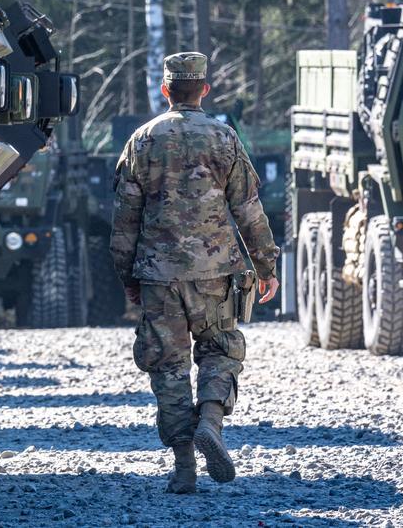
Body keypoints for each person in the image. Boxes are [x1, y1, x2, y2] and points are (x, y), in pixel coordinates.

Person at [109, 52, 280, 494]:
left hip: (158, 274)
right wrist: (265, 265)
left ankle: (184, 465)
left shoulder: (143, 140)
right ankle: (211, 421)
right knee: (220, 351)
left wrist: (127, 275)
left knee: (167, 367)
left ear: (166, 90)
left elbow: (125, 218)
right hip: (215, 273)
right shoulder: (224, 138)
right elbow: (248, 208)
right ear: (203, 89)